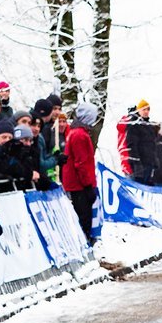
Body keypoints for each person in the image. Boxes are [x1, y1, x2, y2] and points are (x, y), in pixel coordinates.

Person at [61, 102, 98, 244]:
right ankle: (85, 240)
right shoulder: (80, 135)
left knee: (83, 214)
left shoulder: (75, 133)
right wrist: (88, 184)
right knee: (84, 215)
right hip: (79, 184)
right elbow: (81, 163)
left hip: (77, 183)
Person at [126, 100, 157, 184]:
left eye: (148, 109)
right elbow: (131, 145)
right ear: (138, 110)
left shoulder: (149, 126)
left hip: (149, 164)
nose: (146, 111)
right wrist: (136, 164)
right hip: (139, 165)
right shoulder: (134, 124)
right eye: (143, 109)